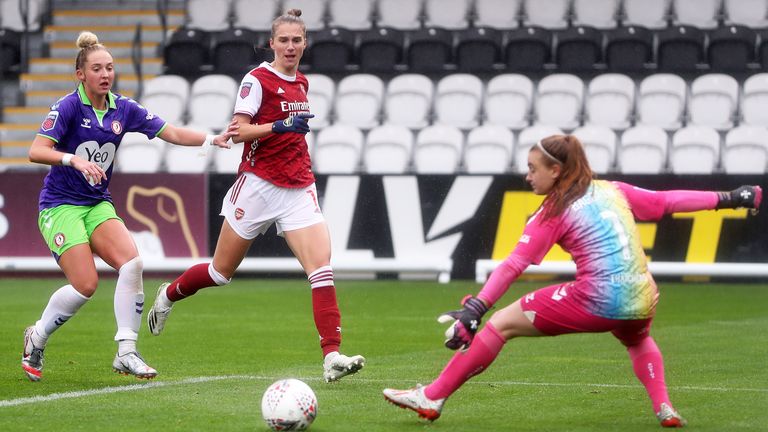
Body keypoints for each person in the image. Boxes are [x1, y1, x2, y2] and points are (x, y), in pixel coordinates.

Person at [383, 135, 762, 427]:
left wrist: (476, 308)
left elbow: (516, 263)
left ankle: (432, 396)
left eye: (533, 168)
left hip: (598, 298)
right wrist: (730, 197)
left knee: (500, 324)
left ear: (557, 171)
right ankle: (664, 407)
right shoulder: (613, 190)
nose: (527, 175)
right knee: (638, 337)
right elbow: (667, 202)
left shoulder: (554, 210)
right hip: (643, 295)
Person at [146, 9, 366, 383]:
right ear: (272, 43)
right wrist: (280, 125)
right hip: (259, 184)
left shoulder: (303, 83)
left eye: (297, 40)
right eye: (284, 40)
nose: (291, 47)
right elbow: (237, 132)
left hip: (298, 186)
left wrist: (286, 132)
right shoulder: (257, 79)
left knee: (322, 269)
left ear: (305, 43)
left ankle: (331, 356)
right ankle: (168, 294)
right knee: (220, 273)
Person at [21, 31, 235, 382]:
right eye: (96, 68)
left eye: (109, 68)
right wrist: (73, 160)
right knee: (85, 285)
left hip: (96, 204)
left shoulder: (123, 108)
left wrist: (213, 138)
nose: (105, 74)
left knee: (132, 264)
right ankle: (37, 337)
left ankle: (126, 352)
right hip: (59, 205)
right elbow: (36, 150)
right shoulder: (67, 107)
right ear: (80, 74)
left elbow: (172, 132)